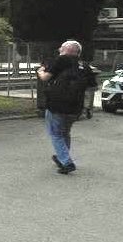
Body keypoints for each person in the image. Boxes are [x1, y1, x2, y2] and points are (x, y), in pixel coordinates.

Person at [38, 40, 91, 174]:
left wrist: (40, 71)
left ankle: (66, 162)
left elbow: (45, 78)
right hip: (75, 108)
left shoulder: (61, 60)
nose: (59, 50)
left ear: (69, 50)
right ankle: (62, 157)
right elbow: (92, 85)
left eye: (61, 48)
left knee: (56, 133)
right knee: (65, 132)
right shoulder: (84, 66)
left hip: (57, 105)